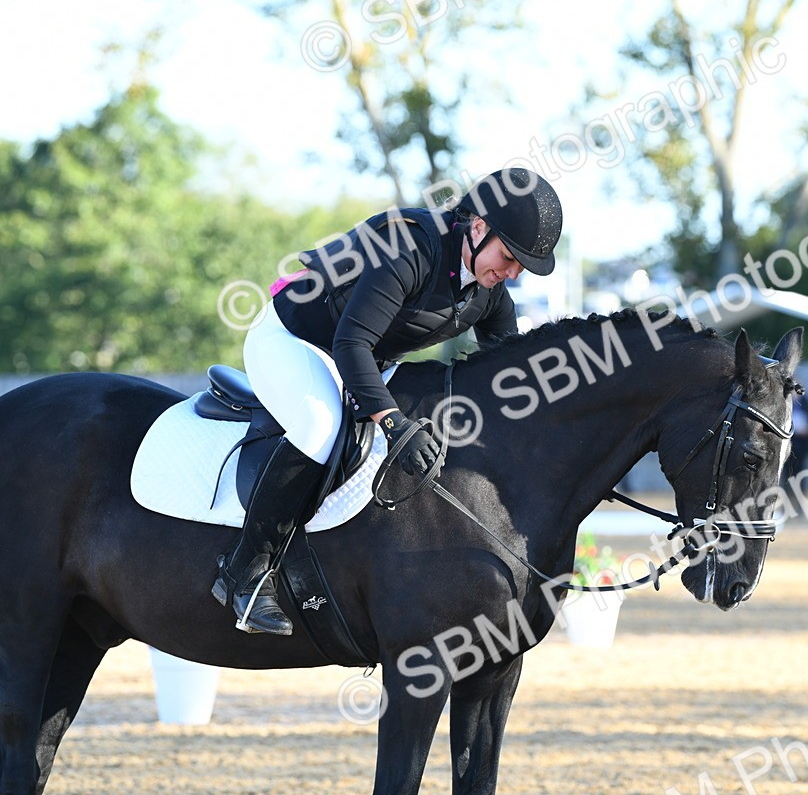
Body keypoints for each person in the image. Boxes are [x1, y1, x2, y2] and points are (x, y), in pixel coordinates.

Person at [211, 167, 563, 635]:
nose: (513, 272)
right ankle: (244, 572)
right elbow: (350, 345)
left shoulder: (490, 292)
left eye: (521, 265)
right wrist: (393, 423)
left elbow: (509, 378)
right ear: (478, 228)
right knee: (321, 426)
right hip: (295, 339)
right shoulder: (410, 248)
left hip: (367, 358)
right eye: (509, 256)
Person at [782, 382, 808, 485]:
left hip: (802, 442)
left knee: (801, 469)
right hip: (788, 442)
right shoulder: (783, 404)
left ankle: (799, 493)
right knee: (786, 471)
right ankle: (787, 493)